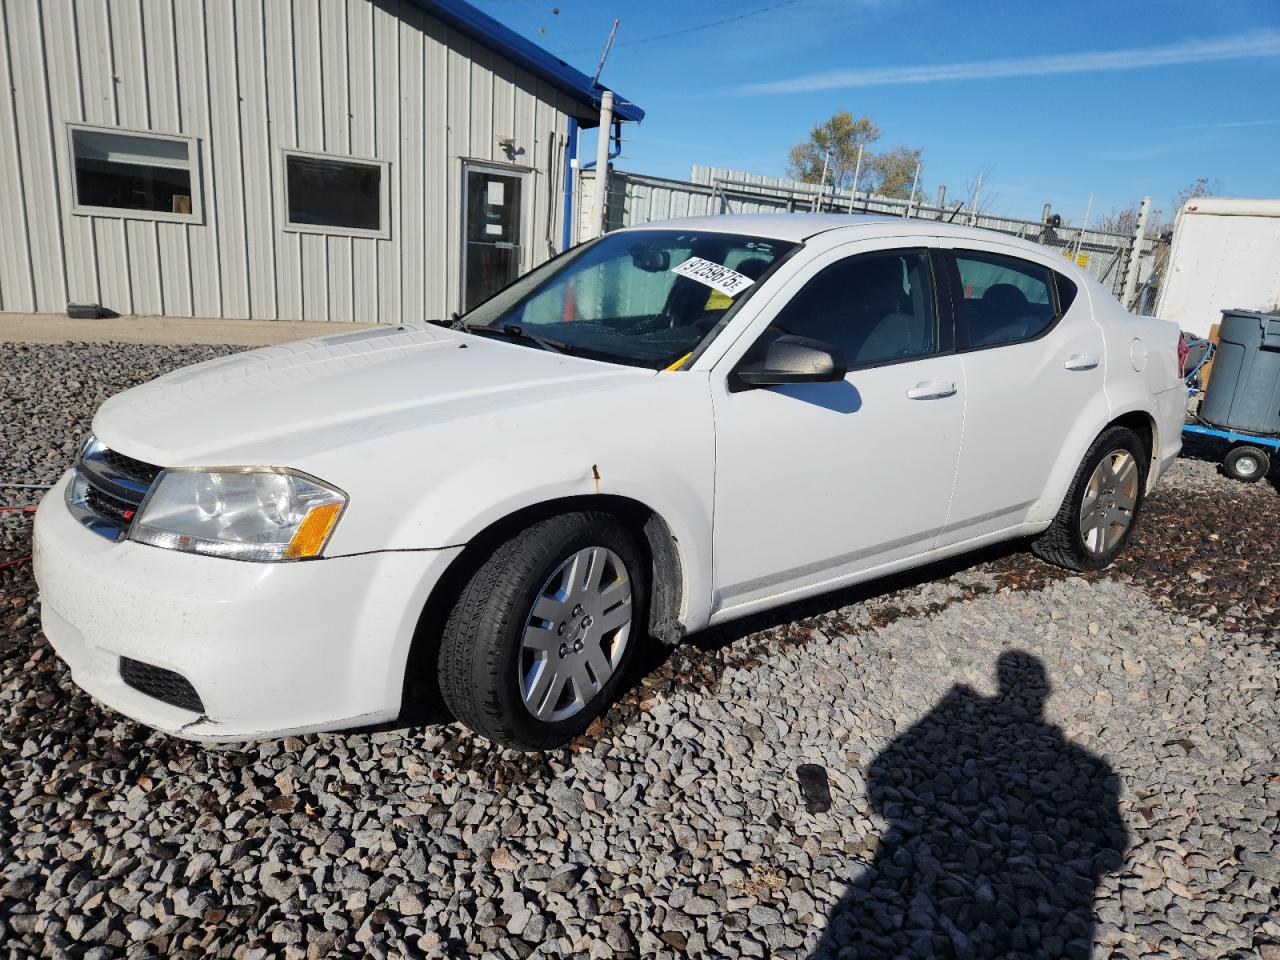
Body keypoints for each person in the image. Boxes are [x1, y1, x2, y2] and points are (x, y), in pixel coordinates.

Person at [815, 651, 1128, 959]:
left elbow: (879, 788)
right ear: (1045, 690)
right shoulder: (1087, 764)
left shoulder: (961, 713)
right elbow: (1113, 850)